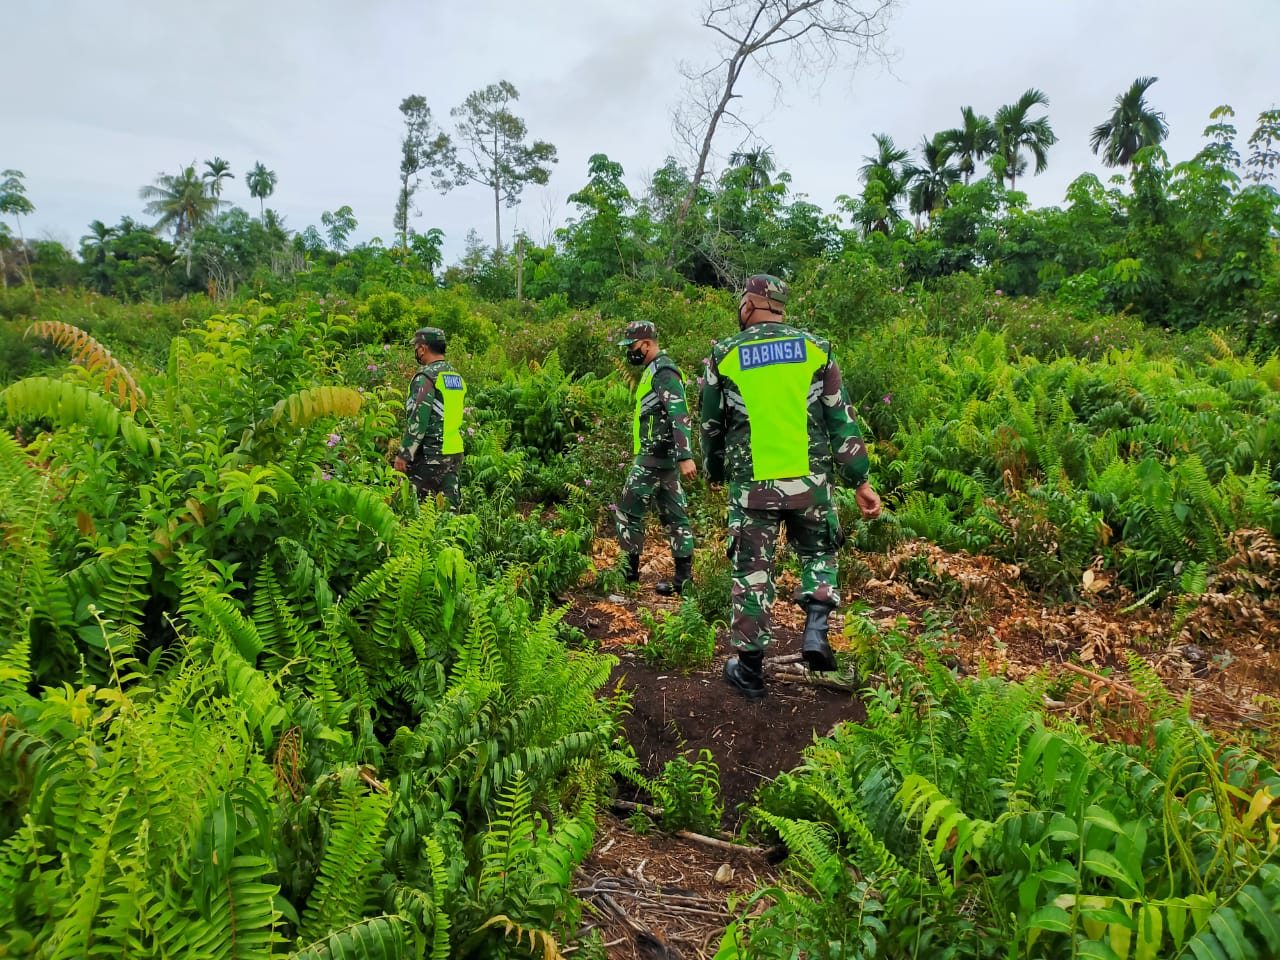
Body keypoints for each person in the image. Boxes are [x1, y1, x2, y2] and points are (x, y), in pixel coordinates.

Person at [701, 274, 881, 700]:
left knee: (752, 572)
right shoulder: (816, 349)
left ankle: (749, 672)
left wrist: (713, 471)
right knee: (819, 552)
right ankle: (816, 630)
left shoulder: (725, 354)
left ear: (750, 304)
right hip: (810, 483)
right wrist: (860, 479)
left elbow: (711, 425)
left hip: (753, 488)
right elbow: (841, 417)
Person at [614, 320, 697, 595]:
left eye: (633, 346)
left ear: (646, 344)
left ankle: (627, 579)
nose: (630, 352)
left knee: (628, 512)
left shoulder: (663, 371)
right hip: (663, 458)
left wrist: (686, 455)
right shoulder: (655, 370)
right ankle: (683, 581)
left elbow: (678, 413)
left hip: (653, 457)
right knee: (675, 516)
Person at [393, 326, 467, 505]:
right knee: (448, 510)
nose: (416, 351)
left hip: (431, 455)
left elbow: (419, 419)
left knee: (406, 505)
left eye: (416, 347)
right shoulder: (455, 376)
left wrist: (404, 454)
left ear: (423, 348)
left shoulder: (426, 377)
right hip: (454, 452)